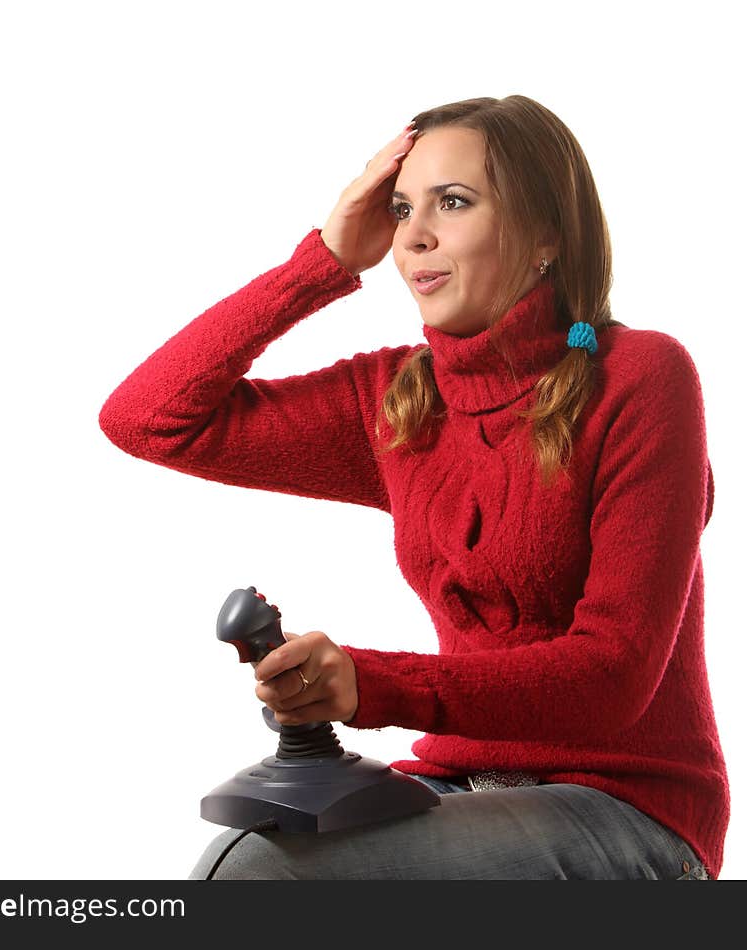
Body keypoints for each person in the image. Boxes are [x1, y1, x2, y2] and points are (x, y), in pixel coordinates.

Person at [98, 95, 728, 880]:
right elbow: (148, 419)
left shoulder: (638, 378)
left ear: (546, 235)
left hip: (627, 813)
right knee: (249, 856)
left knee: (258, 875)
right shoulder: (398, 400)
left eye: (453, 203)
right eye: (401, 210)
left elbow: (615, 673)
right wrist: (321, 262)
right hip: (453, 788)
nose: (414, 237)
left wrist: (372, 684)